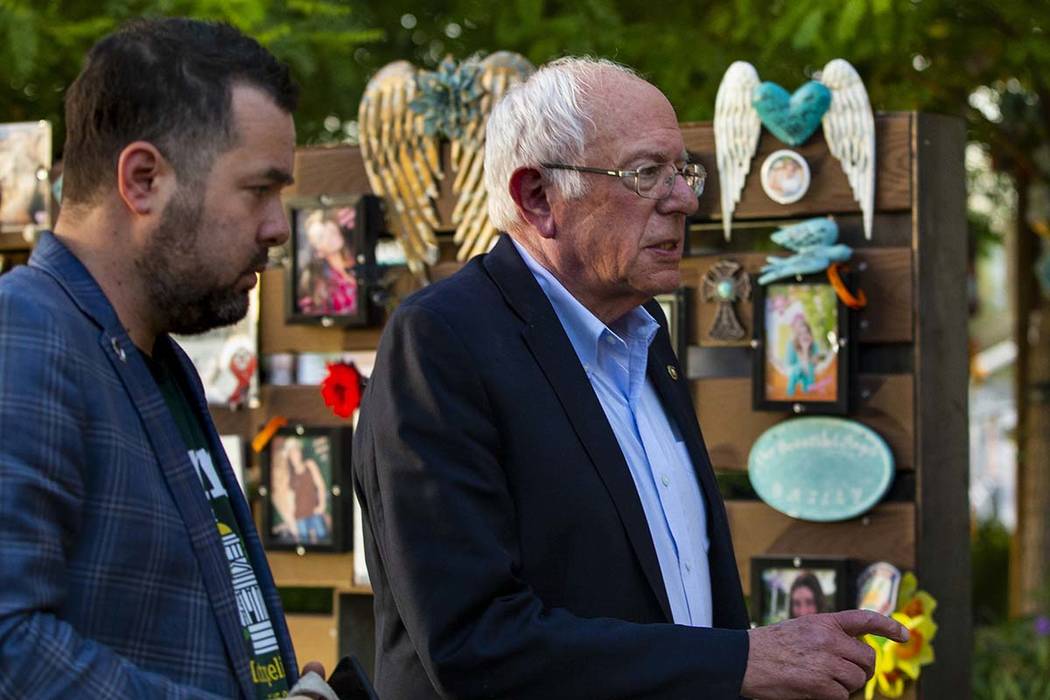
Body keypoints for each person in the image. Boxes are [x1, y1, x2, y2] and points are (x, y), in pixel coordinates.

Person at [352, 57, 907, 699]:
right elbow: (473, 642)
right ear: (538, 198)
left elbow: (673, 600)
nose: (686, 200)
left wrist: (752, 664)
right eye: (646, 173)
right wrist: (739, 662)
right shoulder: (443, 342)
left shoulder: (644, 334)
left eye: (684, 170)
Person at [0, 18, 333, 699]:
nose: (278, 226)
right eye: (259, 190)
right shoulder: (24, 331)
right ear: (144, 179)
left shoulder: (152, 357)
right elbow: (9, 643)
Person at [297, 208, 358, 316]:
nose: (328, 233)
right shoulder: (325, 287)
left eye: (325, 225)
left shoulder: (358, 253)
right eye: (320, 237)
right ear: (318, 252)